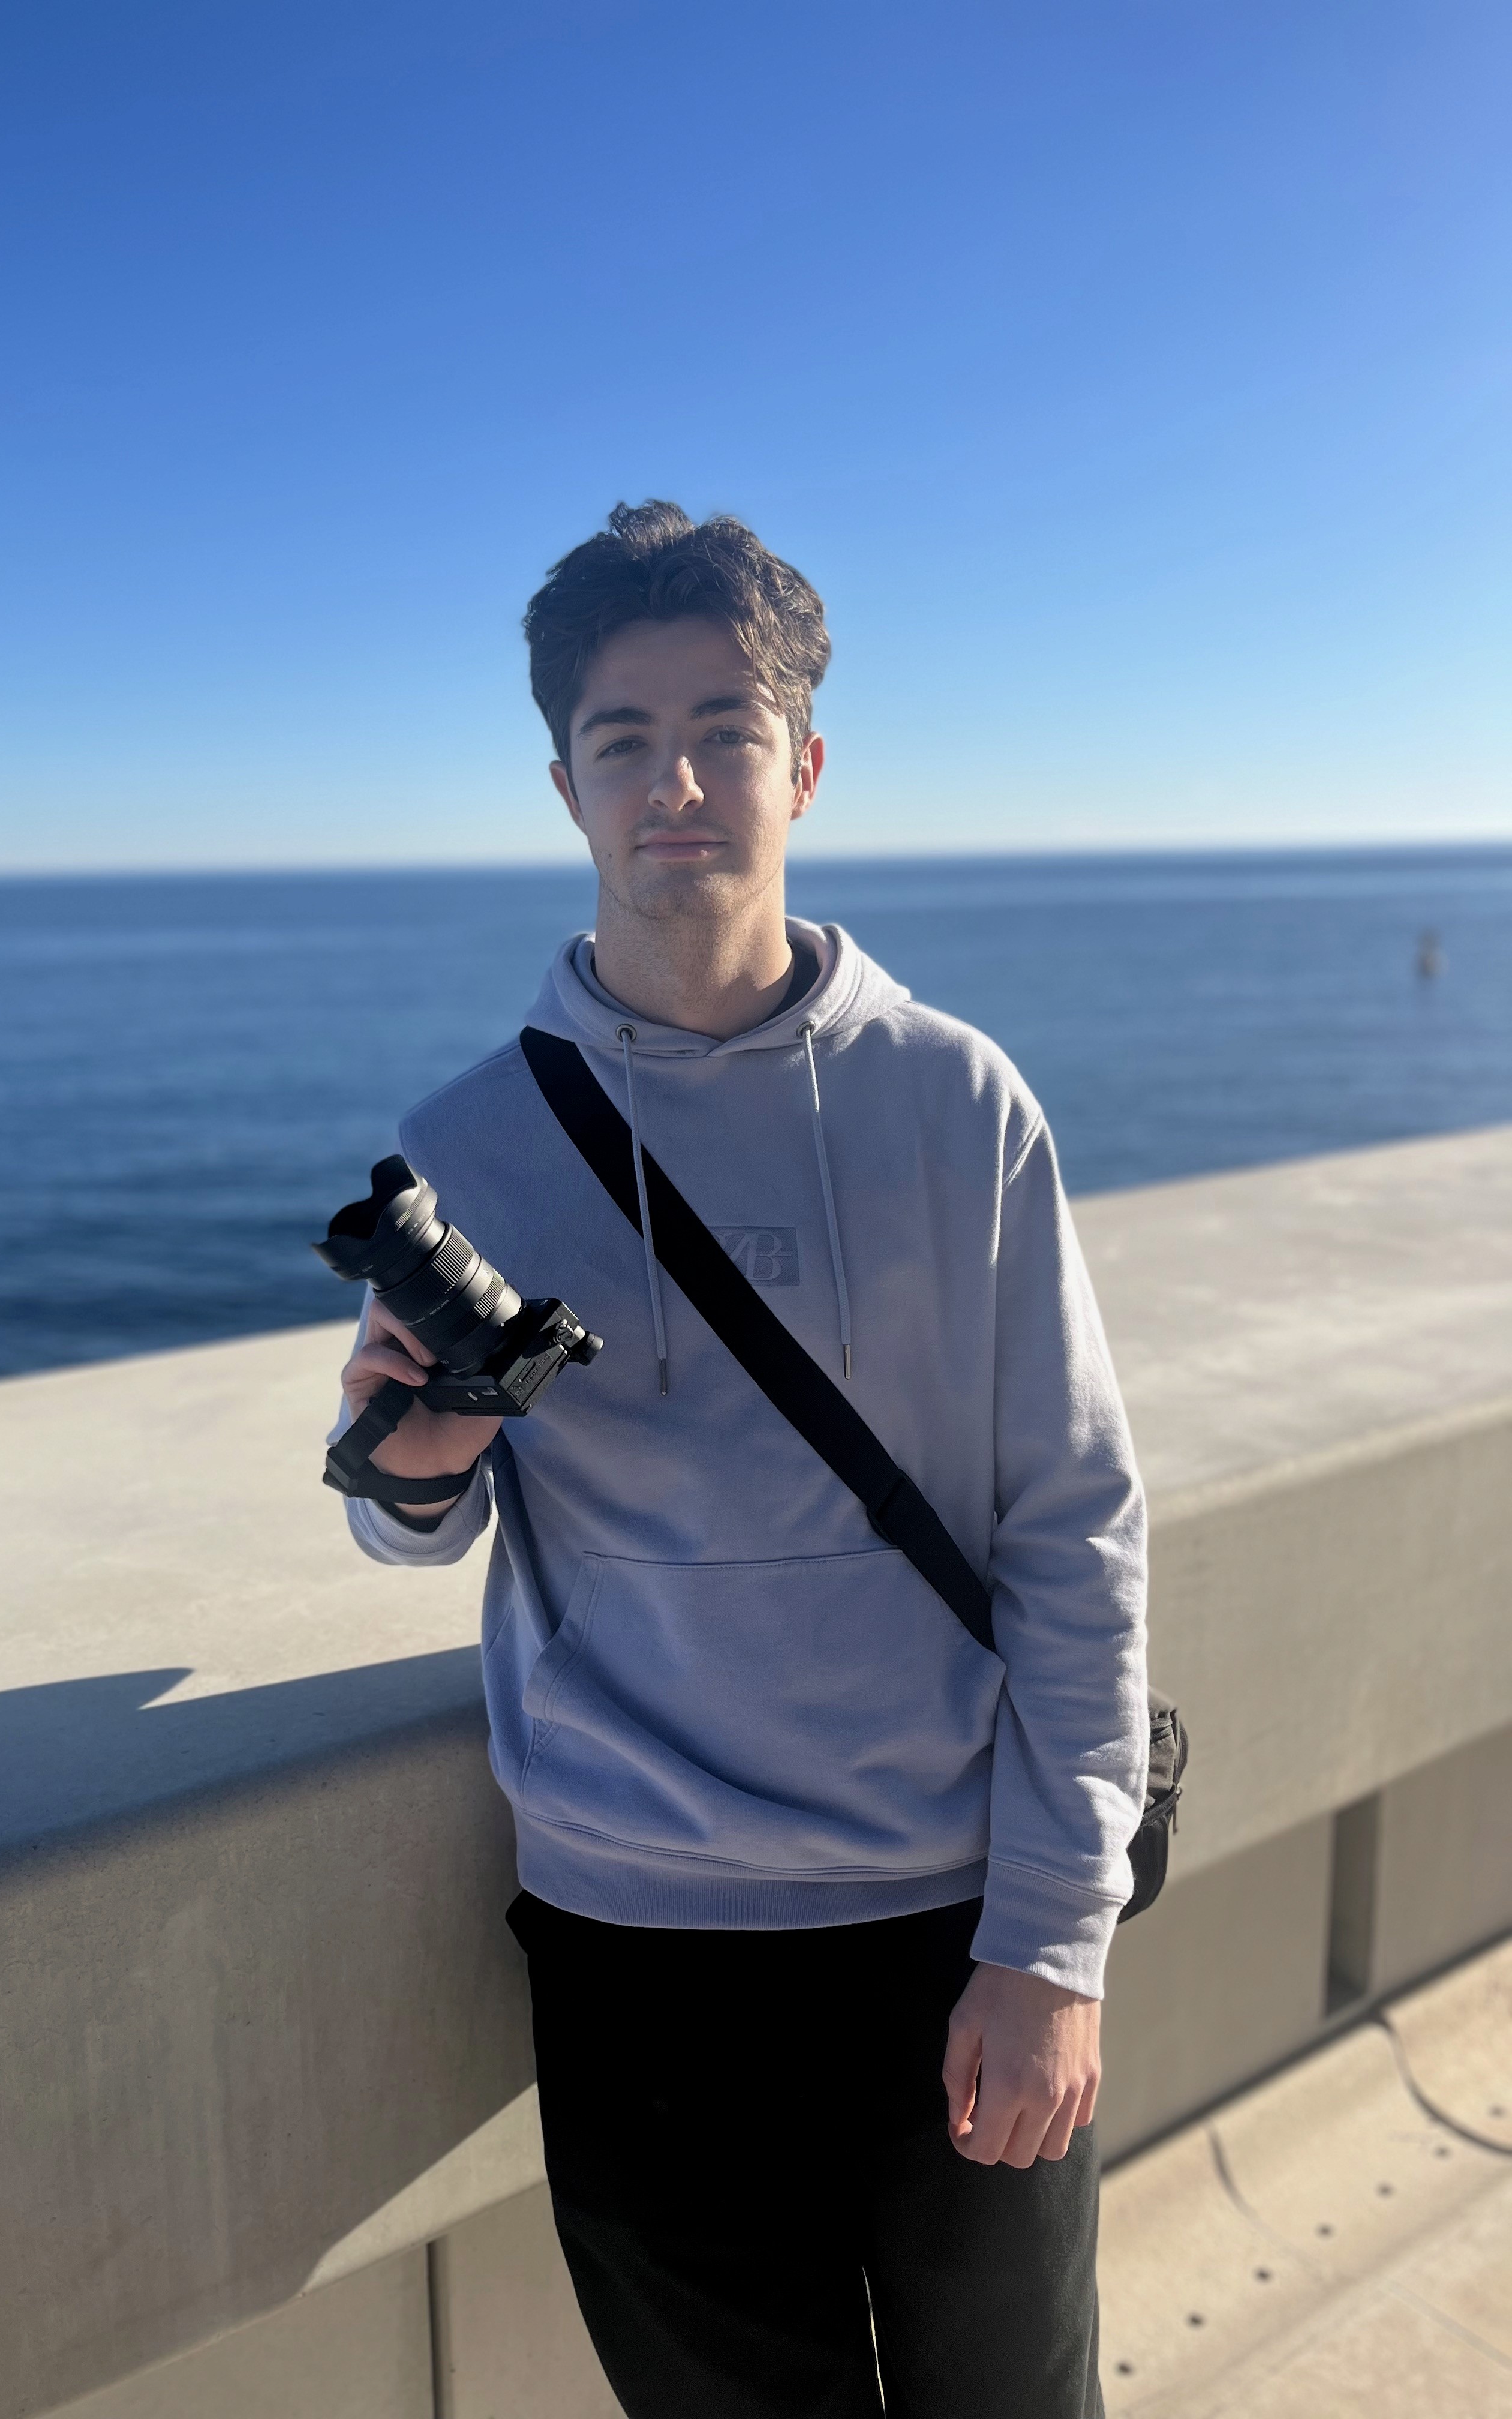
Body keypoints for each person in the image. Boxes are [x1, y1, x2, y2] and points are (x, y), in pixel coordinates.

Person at [333, 501, 1147, 2418]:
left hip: (951, 1925)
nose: (677, 780)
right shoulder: (472, 1136)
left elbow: (1077, 1531)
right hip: (638, 1949)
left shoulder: (957, 1099)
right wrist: (420, 1457)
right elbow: (404, 1528)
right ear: (564, 782)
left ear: (808, 758)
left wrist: (1052, 1945)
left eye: (724, 724)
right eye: (624, 738)